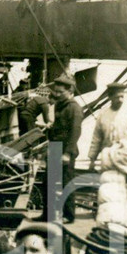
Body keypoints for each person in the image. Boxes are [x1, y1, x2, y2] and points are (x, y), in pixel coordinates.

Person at [45, 73, 83, 223]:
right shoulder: (60, 105)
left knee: (66, 183)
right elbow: (61, 126)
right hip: (55, 147)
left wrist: (68, 153)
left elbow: (75, 131)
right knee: (48, 181)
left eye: (61, 92)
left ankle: (69, 215)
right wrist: (51, 126)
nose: (57, 94)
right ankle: (47, 214)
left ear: (70, 91)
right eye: (56, 91)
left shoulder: (74, 108)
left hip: (65, 150)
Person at [87, 82, 127, 171]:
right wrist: (92, 159)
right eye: (117, 97)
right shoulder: (103, 115)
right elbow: (97, 138)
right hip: (108, 159)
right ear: (110, 97)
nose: (120, 100)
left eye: (122, 96)